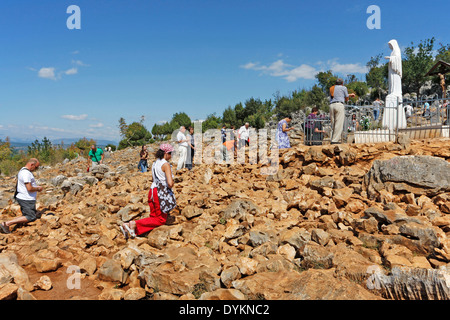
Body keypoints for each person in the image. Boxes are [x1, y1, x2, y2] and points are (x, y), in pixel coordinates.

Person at [120, 144, 175, 238]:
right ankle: (134, 224)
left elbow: (153, 179)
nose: (171, 156)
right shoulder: (165, 164)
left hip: (152, 191)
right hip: (161, 193)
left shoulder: (155, 163)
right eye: (170, 153)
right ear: (166, 153)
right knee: (161, 220)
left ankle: (132, 229)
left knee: (154, 216)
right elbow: (170, 183)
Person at [1, 158, 44, 234]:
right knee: (30, 216)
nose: (36, 169)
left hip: (26, 198)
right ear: (32, 165)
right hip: (26, 199)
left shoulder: (23, 170)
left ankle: (20, 224)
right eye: (36, 167)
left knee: (30, 214)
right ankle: (6, 224)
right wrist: (38, 188)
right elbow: (29, 188)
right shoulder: (26, 173)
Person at [329, 79, 355, 144]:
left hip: (331, 105)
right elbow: (346, 98)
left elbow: (338, 95)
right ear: (342, 83)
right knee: (339, 123)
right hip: (339, 105)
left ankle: (332, 139)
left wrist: (349, 94)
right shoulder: (344, 88)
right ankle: (335, 141)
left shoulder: (332, 88)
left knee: (333, 123)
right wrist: (348, 97)